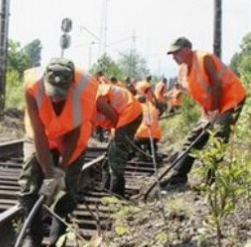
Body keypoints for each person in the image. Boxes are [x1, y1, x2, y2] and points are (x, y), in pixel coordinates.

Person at [17, 58, 98, 247]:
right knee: (29, 182)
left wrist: (60, 169)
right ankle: (32, 238)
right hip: (41, 134)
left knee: (68, 187)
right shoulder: (32, 86)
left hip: (70, 137)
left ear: (71, 87)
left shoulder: (86, 91)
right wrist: (48, 173)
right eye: (51, 93)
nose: (54, 99)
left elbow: (73, 134)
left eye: (60, 95)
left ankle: (57, 236)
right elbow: (39, 134)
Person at [162, 37, 246, 187]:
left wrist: (215, 110)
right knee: (193, 138)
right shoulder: (182, 69)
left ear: (187, 49)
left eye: (176, 52)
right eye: (172, 54)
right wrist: (207, 114)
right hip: (211, 107)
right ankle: (178, 177)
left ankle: (209, 183)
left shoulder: (203, 58)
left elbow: (217, 86)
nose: (173, 57)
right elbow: (200, 93)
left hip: (230, 100)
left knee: (218, 138)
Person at [94, 84, 143, 196]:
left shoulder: (95, 98)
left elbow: (114, 118)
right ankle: (107, 189)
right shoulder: (84, 102)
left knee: (116, 154)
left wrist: (120, 139)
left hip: (129, 114)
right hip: (125, 116)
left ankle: (116, 194)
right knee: (110, 153)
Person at [134, 94, 162, 159]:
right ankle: (153, 153)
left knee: (132, 138)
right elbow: (158, 114)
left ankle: (140, 153)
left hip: (142, 135)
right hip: (156, 136)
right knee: (150, 141)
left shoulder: (137, 108)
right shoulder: (153, 108)